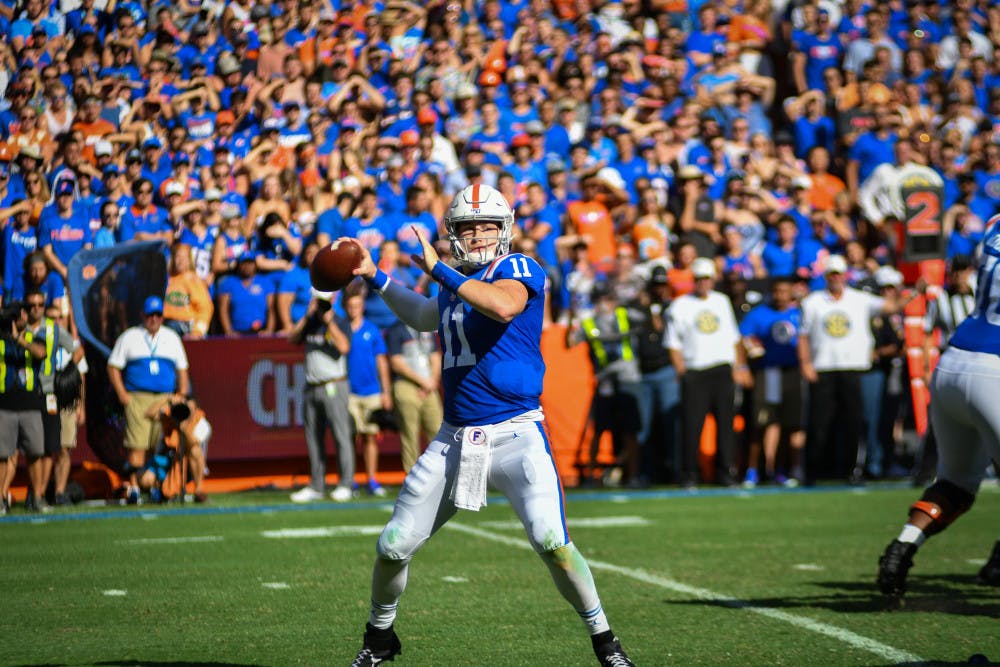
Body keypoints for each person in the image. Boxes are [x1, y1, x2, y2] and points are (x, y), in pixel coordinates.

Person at [348, 184, 634, 666]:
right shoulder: (456, 282)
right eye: (468, 227)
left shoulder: (518, 267)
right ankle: (379, 638)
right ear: (454, 233)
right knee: (393, 545)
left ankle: (605, 641)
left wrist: (437, 269)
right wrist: (376, 276)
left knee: (552, 542)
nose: (478, 236)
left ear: (504, 230)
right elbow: (422, 315)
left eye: (486, 226)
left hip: (517, 432)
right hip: (455, 438)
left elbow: (502, 305)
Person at [876, 221, 1000, 597]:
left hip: (954, 362)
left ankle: (904, 545)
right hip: (995, 369)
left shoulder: (994, 225)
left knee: (955, 484)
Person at [666, 257, 751, 489]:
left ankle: (726, 473)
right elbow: (673, 343)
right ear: (694, 280)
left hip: (721, 369)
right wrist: (682, 371)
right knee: (692, 426)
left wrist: (740, 366)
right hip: (695, 370)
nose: (704, 283)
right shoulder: (680, 305)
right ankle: (689, 474)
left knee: (726, 425)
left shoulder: (721, 301)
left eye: (707, 278)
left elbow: (734, 338)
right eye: (700, 279)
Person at [107, 296, 191, 503]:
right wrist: (122, 395)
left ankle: (154, 485)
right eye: (150, 314)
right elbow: (113, 366)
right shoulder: (130, 337)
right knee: (137, 444)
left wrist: (180, 393)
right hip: (137, 396)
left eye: (158, 315)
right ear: (142, 315)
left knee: (159, 444)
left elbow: (182, 369)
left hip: (164, 398)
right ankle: (134, 487)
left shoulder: (171, 337)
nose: (154, 319)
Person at [287, 289, 354, 503]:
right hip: (311, 385)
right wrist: (308, 316)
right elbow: (291, 338)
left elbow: (344, 347)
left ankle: (346, 484)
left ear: (333, 300)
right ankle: (317, 485)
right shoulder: (309, 322)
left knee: (341, 436)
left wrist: (329, 321)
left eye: (325, 301)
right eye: (319, 301)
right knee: (313, 438)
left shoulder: (340, 321)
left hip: (334, 385)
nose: (322, 305)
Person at [738, 277, 805, 488]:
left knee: (789, 422)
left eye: (785, 291)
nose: (781, 296)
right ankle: (753, 469)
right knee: (761, 422)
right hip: (768, 372)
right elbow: (741, 339)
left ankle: (781, 469)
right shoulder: (759, 314)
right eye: (777, 291)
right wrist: (744, 366)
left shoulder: (799, 314)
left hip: (792, 372)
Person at [0, 300, 49, 513]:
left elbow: (41, 353)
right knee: (2, 455)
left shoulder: (32, 336)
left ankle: (37, 497)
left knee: (35, 453)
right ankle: (1, 498)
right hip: (4, 405)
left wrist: (19, 339)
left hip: (30, 405)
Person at [344, 289, 393, 497]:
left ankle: (371, 478)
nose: (354, 309)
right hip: (348, 391)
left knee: (371, 436)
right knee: (349, 438)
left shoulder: (372, 330)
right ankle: (350, 479)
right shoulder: (342, 328)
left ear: (362, 307)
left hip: (371, 390)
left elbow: (382, 361)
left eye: (357, 305)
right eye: (351, 305)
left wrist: (386, 391)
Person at [384, 310, 443, 473]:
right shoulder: (395, 330)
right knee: (410, 435)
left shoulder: (426, 328)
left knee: (438, 432)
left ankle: (438, 474)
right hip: (407, 385)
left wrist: (432, 382)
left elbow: (435, 356)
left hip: (430, 386)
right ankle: (412, 475)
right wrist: (423, 381)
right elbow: (396, 363)